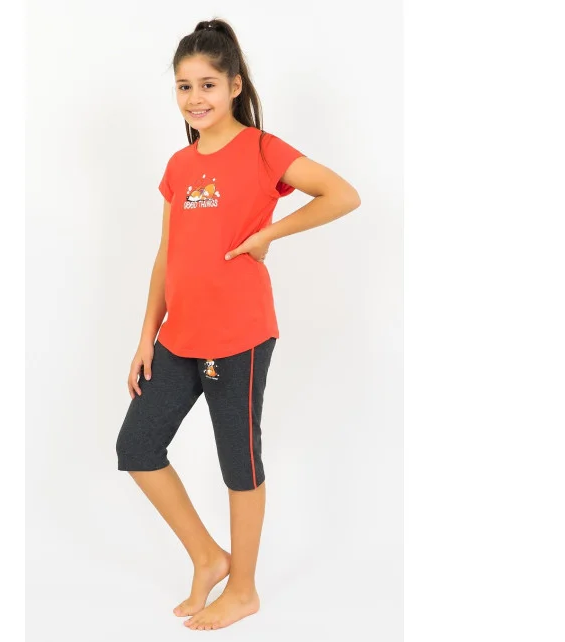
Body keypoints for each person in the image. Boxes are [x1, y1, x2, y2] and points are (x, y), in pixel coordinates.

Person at [115, 17, 361, 631]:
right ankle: (209, 558)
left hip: (239, 336)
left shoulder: (261, 149)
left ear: (234, 85)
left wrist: (268, 233)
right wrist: (146, 337)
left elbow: (341, 194)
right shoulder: (179, 164)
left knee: (238, 463)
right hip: (178, 339)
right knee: (137, 446)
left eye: (207, 84)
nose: (195, 98)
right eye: (183, 86)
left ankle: (244, 590)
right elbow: (167, 256)